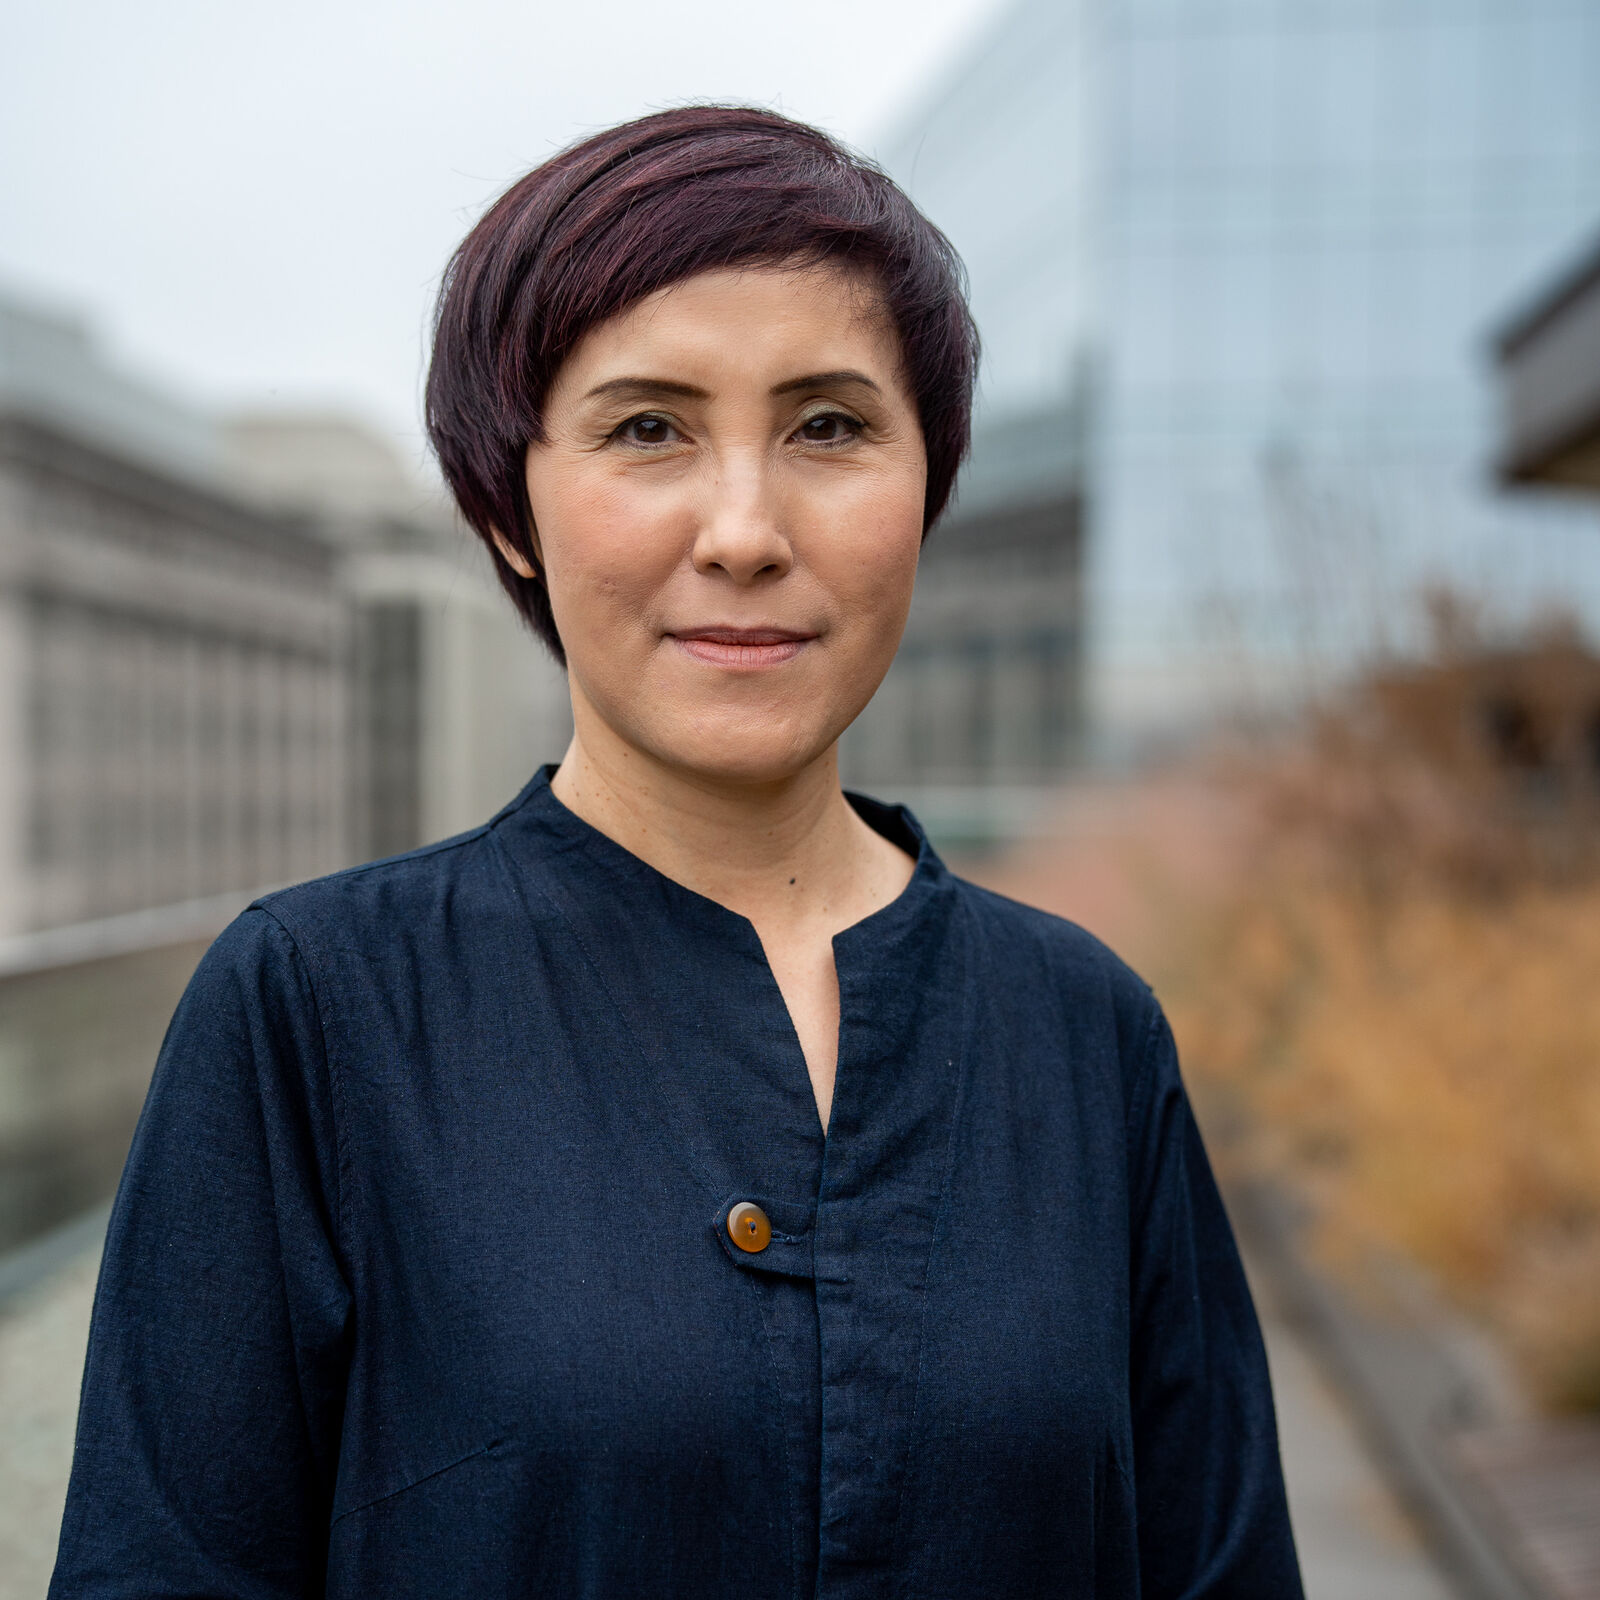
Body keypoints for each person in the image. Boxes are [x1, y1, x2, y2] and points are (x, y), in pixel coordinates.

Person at [50, 106, 1303, 1598]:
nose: (745, 530)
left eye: (830, 426)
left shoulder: (1088, 1033)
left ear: (927, 487)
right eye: (648, 428)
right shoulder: (315, 1011)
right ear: (508, 506)